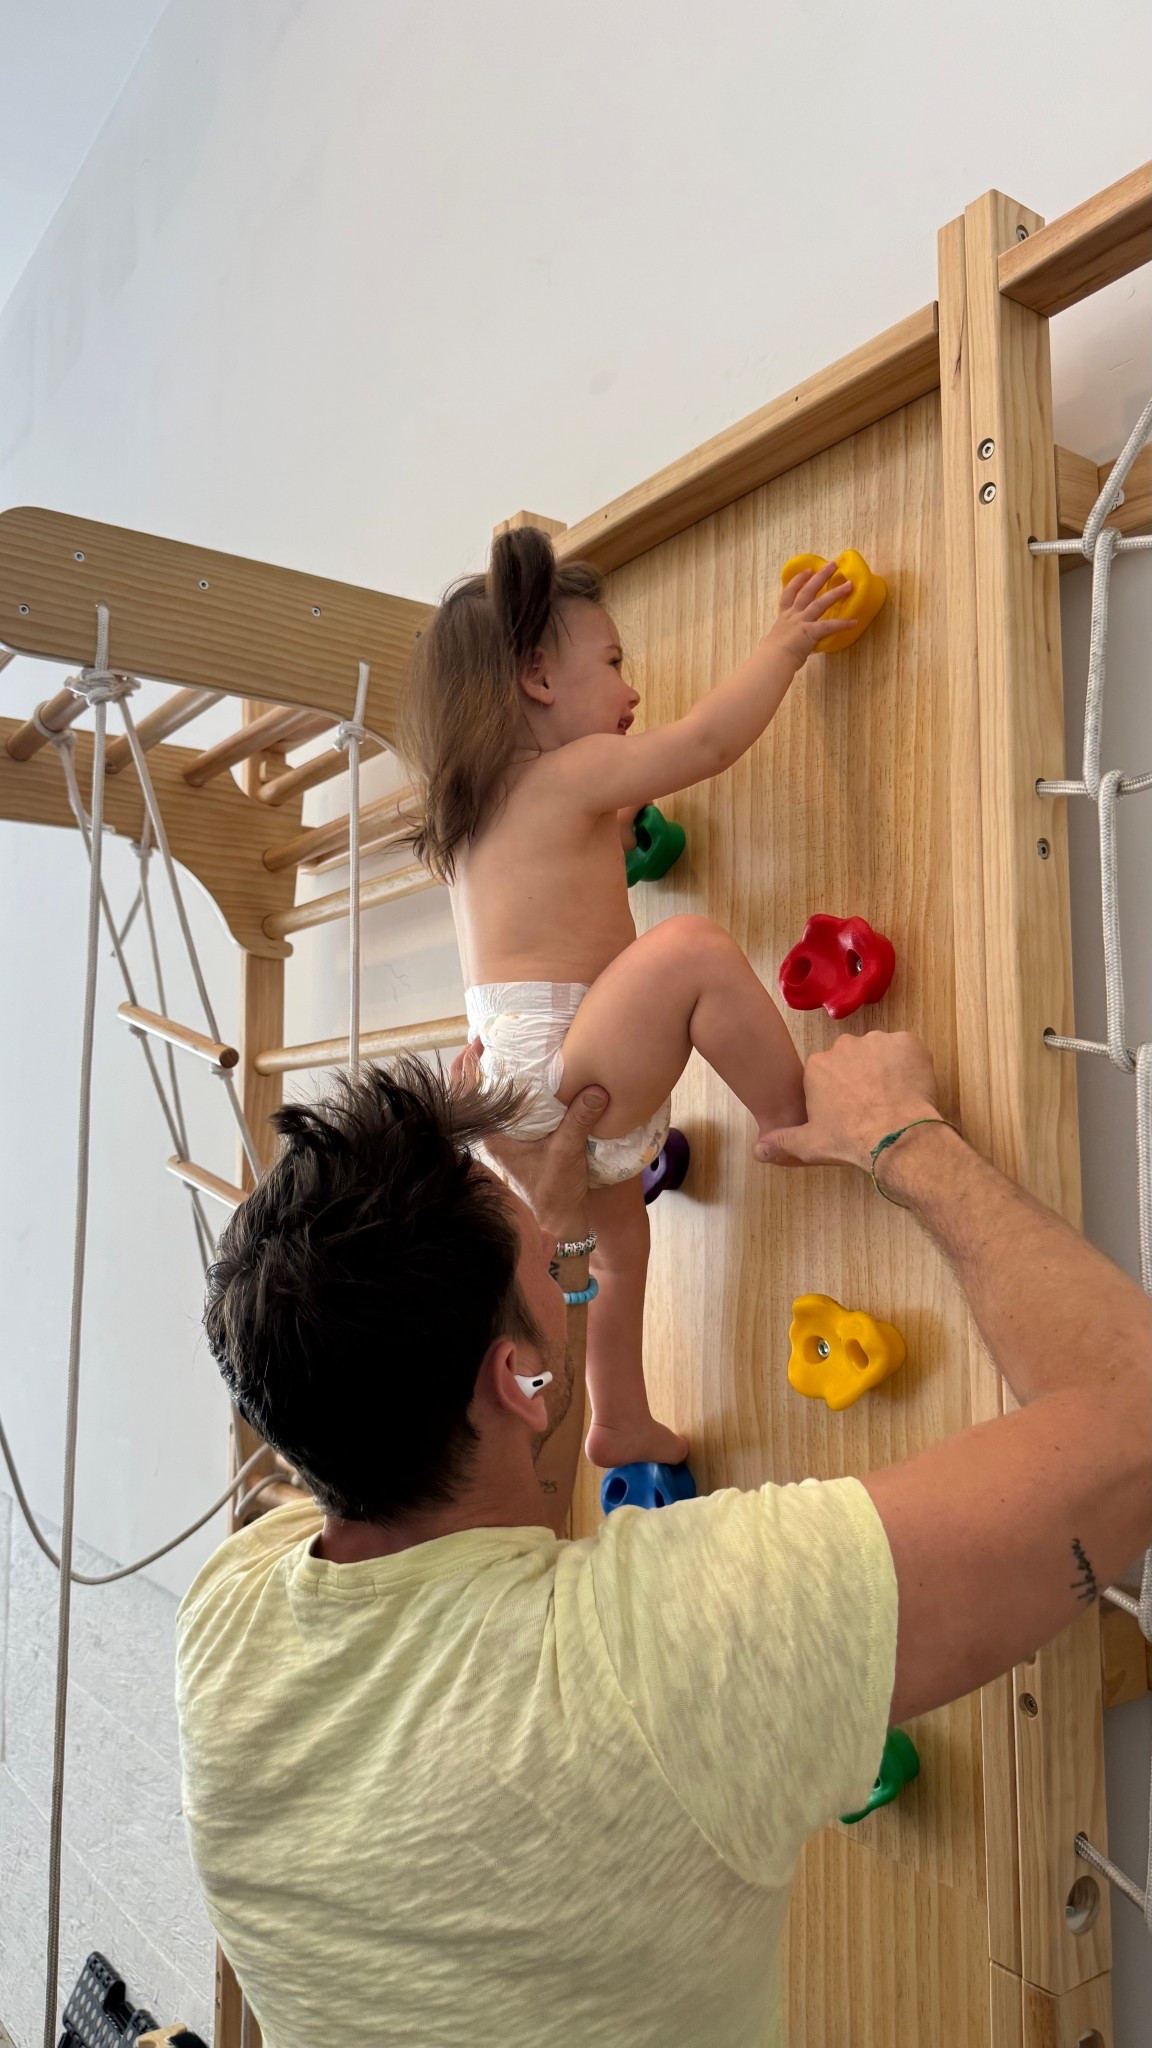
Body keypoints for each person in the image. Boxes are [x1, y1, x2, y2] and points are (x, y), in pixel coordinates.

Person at [176, 1029, 1151, 2048]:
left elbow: (484, 1493)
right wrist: (900, 1134)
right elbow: (1136, 1417)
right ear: (516, 1375)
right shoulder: (661, 1662)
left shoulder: (227, 1615)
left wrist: (540, 1269)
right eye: (546, 1263)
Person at [401, 528, 855, 1476]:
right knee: (691, 949)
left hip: (517, 1070)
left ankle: (620, 1416)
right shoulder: (563, 777)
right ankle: (791, 1117)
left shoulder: (479, 816)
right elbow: (707, 742)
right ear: (536, 679)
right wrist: (785, 641)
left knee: (618, 1247)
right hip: (556, 1057)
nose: (632, 690)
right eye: (613, 663)